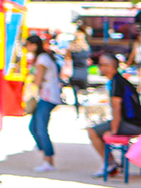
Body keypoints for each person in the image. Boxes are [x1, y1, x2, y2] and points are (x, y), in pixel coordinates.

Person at [87, 53, 141, 171]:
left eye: (102, 65)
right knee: (100, 129)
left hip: (131, 125)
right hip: (134, 123)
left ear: (110, 66)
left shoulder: (117, 83)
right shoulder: (119, 81)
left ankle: (110, 163)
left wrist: (113, 130)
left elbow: (117, 109)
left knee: (92, 131)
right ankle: (110, 162)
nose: (99, 68)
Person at [26, 34, 64, 171]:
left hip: (47, 96)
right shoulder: (43, 57)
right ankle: (46, 157)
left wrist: (29, 91)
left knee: (40, 127)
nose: (26, 48)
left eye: (28, 44)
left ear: (34, 45)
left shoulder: (42, 59)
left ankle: (48, 158)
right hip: (47, 95)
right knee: (35, 126)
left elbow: (38, 79)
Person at [68, 29, 93, 113]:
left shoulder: (72, 48)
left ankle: (77, 111)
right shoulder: (86, 48)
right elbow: (89, 60)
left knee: (76, 95)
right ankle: (85, 111)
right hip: (83, 73)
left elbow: (67, 59)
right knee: (84, 93)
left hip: (74, 72)